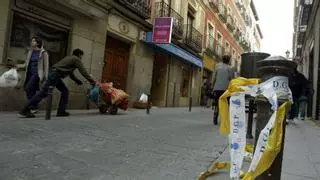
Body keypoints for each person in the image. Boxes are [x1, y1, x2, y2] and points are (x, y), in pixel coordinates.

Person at [19, 49, 96, 118]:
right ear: (79, 55)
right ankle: (25, 109)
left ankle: (61, 111)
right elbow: (83, 72)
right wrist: (92, 81)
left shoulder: (69, 58)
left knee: (65, 91)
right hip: (55, 75)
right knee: (43, 93)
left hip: (55, 74)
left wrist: (76, 80)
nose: (81, 58)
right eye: (81, 56)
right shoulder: (76, 59)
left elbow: (70, 73)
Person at [17, 37, 49, 113]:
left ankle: (31, 106)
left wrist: (45, 78)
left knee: (28, 88)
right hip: (29, 74)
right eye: (31, 41)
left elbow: (46, 66)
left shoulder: (44, 53)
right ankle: (34, 107)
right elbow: (26, 64)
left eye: (33, 41)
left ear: (38, 43)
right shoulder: (30, 52)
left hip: (37, 74)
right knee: (31, 90)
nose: (32, 42)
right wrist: (18, 65)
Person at [212, 55, 234, 125]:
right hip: (225, 90)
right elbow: (231, 79)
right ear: (228, 60)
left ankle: (215, 117)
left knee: (217, 104)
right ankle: (224, 120)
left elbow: (214, 77)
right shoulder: (230, 68)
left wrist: (212, 86)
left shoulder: (217, 66)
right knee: (226, 104)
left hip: (217, 88)